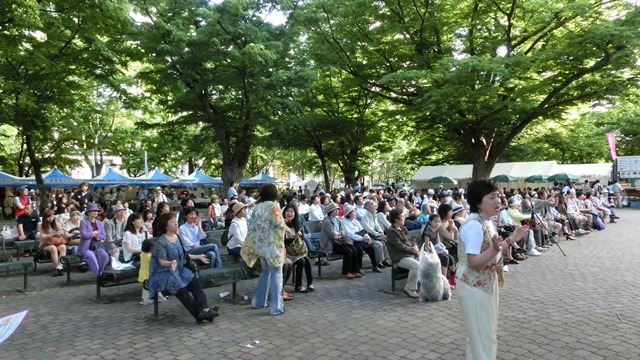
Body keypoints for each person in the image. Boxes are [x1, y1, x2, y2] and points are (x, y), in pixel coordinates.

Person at [456, 179, 529, 360]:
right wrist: (496, 249)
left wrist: (512, 239)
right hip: (473, 285)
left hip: (485, 283)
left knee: (483, 333)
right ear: (478, 203)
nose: (498, 201)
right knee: (482, 335)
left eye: (497, 196)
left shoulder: (486, 221)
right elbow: (473, 261)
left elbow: (493, 249)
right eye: (491, 197)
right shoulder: (474, 226)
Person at [148, 213, 218, 323]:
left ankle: (204, 309)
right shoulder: (161, 242)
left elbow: (184, 255)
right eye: (172, 222)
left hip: (178, 270)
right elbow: (161, 262)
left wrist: (199, 256)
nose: (176, 223)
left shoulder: (177, 237)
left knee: (195, 281)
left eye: (176, 221)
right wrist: (171, 263)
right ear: (165, 226)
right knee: (181, 290)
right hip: (165, 273)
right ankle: (201, 314)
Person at [241, 184, 287, 316]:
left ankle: (258, 301)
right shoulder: (274, 206)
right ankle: (276, 307)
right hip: (273, 245)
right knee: (277, 273)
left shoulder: (257, 207)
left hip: (261, 245)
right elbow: (279, 226)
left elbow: (252, 227)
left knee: (265, 272)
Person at [319, 202, 362, 279]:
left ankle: (355, 271)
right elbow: (333, 235)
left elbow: (343, 232)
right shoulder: (327, 221)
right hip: (331, 244)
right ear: (330, 211)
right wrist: (338, 234)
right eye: (335, 210)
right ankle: (345, 272)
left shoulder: (337, 220)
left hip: (339, 242)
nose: (337, 211)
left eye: (338, 209)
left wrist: (338, 233)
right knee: (349, 251)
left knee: (354, 249)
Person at [386, 208, 420, 298]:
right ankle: (410, 288)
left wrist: (415, 246)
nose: (404, 219)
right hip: (400, 257)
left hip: (410, 253)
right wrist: (412, 250)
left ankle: (425, 284)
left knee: (426, 260)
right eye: (402, 217)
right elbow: (399, 246)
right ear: (396, 220)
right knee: (416, 265)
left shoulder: (403, 228)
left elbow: (412, 239)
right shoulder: (391, 232)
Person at [282, 204, 314, 293]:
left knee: (307, 259)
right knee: (302, 261)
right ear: (284, 213)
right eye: (287, 211)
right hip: (287, 252)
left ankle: (310, 282)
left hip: (296, 251)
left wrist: (301, 234)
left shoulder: (296, 223)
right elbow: (282, 241)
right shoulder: (281, 224)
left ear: (295, 213)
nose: (289, 213)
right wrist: (293, 238)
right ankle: (298, 285)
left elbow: (302, 236)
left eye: (291, 212)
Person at [341, 204, 381, 273]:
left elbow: (362, 230)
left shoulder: (355, 221)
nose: (355, 213)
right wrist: (362, 238)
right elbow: (349, 234)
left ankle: (374, 266)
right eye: (354, 211)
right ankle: (359, 268)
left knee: (371, 247)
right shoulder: (344, 222)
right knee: (359, 249)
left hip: (360, 239)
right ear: (349, 214)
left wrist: (367, 237)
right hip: (352, 241)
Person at [79, 203, 110, 278]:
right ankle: (99, 276)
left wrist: (96, 236)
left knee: (105, 256)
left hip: (97, 245)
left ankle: (100, 272)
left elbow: (103, 237)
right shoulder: (83, 222)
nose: (96, 212)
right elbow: (84, 235)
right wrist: (93, 233)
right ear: (88, 212)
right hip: (86, 246)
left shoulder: (99, 223)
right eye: (93, 211)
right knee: (92, 257)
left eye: (97, 211)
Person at [39, 209, 67, 277]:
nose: (50, 219)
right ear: (45, 218)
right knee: (53, 248)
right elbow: (42, 236)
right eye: (48, 217)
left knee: (63, 247)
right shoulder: (41, 225)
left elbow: (61, 234)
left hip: (57, 241)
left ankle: (59, 267)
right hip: (46, 242)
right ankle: (57, 267)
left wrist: (58, 234)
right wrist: (50, 235)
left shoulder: (57, 224)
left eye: (51, 216)